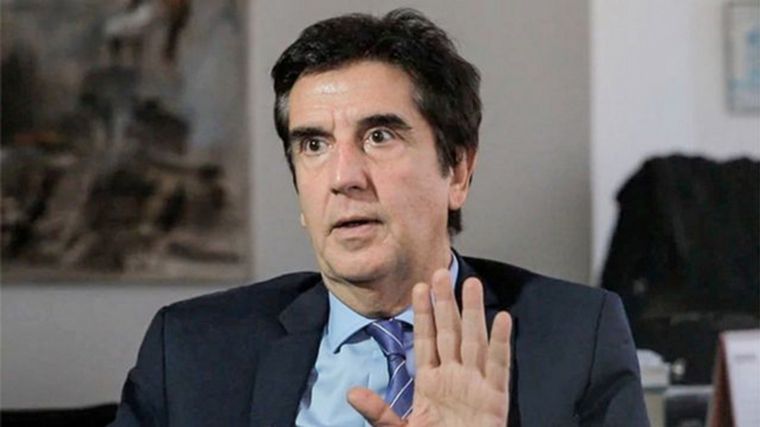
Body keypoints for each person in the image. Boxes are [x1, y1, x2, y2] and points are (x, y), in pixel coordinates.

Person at [109, 9, 648, 427]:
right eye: (314, 144)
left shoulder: (577, 338)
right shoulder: (191, 349)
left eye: (379, 136)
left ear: (458, 171)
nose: (343, 176)